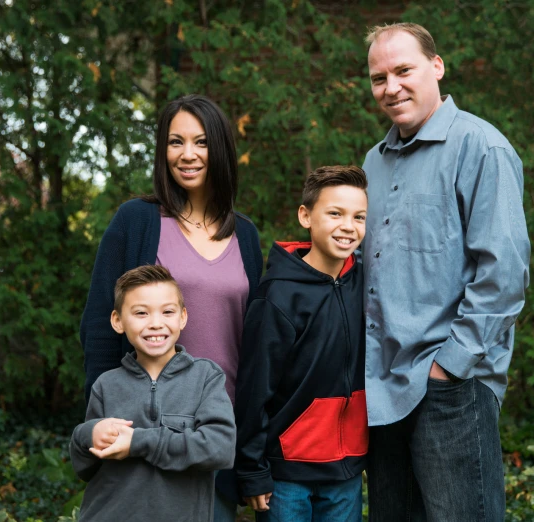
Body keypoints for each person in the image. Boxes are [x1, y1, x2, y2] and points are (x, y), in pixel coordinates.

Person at [361, 23, 531, 521]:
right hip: (381, 390)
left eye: (403, 70)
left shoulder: (481, 147)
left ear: (436, 67)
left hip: (449, 389)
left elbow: (504, 273)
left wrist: (449, 367)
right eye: (378, 78)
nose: (391, 87)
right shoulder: (373, 161)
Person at [79, 93, 263, 519]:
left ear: (219, 148)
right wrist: (104, 417)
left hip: (215, 433)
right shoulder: (137, 221)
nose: (188, 154)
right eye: (175, 142)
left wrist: (253, 444)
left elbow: (254, 345)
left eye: (200, 142)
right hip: (143, 429)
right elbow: (98, 327)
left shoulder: (246, 236)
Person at [235, 166, 369, 522]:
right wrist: (252, 470)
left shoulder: (364, 283)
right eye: (335, 213)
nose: (348, 226)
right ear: (305, 216)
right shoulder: (278, 294)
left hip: (346, 470)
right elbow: (254, 387)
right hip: (287, 472)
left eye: (359, 217)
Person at [70, 265, 236, 521]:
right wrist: (88, 434)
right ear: (118, 321)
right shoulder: (106, 384)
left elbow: (220, 448)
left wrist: (138, 442)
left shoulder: (205, 378)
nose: (156, 324)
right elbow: (86, 467)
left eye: (167, 312)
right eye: (141, 313)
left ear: (182, 317)